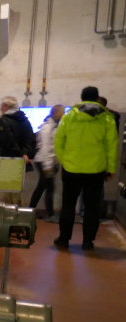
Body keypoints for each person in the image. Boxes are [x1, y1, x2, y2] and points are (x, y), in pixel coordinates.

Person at [53, 86, 118, 251]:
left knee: (68, 205)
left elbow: (58, 142)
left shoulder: (69, 117)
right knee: (92, 207)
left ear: (81, 98)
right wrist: (110, 169)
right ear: (97, 98)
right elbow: (111, 146)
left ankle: (64, 239)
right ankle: (88, 242)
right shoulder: (107, 119)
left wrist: (65, 162)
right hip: (95, 170)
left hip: (71, 169)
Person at [0, 96, 37, 205]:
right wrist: (25, 154)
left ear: (7, 106)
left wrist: (20, 154)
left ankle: (6, 214)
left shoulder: (4, 121)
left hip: (7, 160)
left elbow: (8, 141)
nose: (0, 108)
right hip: (21, 162)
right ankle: (17, 212)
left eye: (2, 106)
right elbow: (31, 139)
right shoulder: (24, 120)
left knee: (5, 193)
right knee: (16, 191)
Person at [29, 104, 64, 222]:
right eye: (62, 112)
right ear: (56, 113)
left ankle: (30, 210)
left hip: (47, 161)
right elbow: (45, 148)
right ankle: (49, 214)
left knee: (42, 187)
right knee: (49, 187)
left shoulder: (54, 126)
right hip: (43, 161)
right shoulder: (47, 127)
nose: (64, 114)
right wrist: (48, 166)